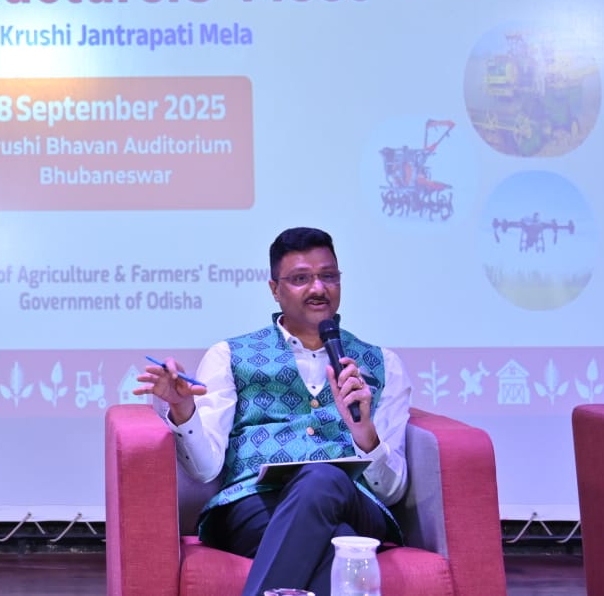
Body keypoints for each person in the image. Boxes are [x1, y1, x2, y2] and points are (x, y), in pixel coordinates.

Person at [135, 227, 412, 596]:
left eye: (328, 276)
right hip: (254, 503)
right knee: (340, 545)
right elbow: (205, 470)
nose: (318, 288)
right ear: (274, 289)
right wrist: (183, 408)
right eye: (301, 279)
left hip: (354, 501)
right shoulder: (229, 356)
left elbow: (392, 491)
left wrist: (364, 433)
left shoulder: (382, 364)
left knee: (323, 478)